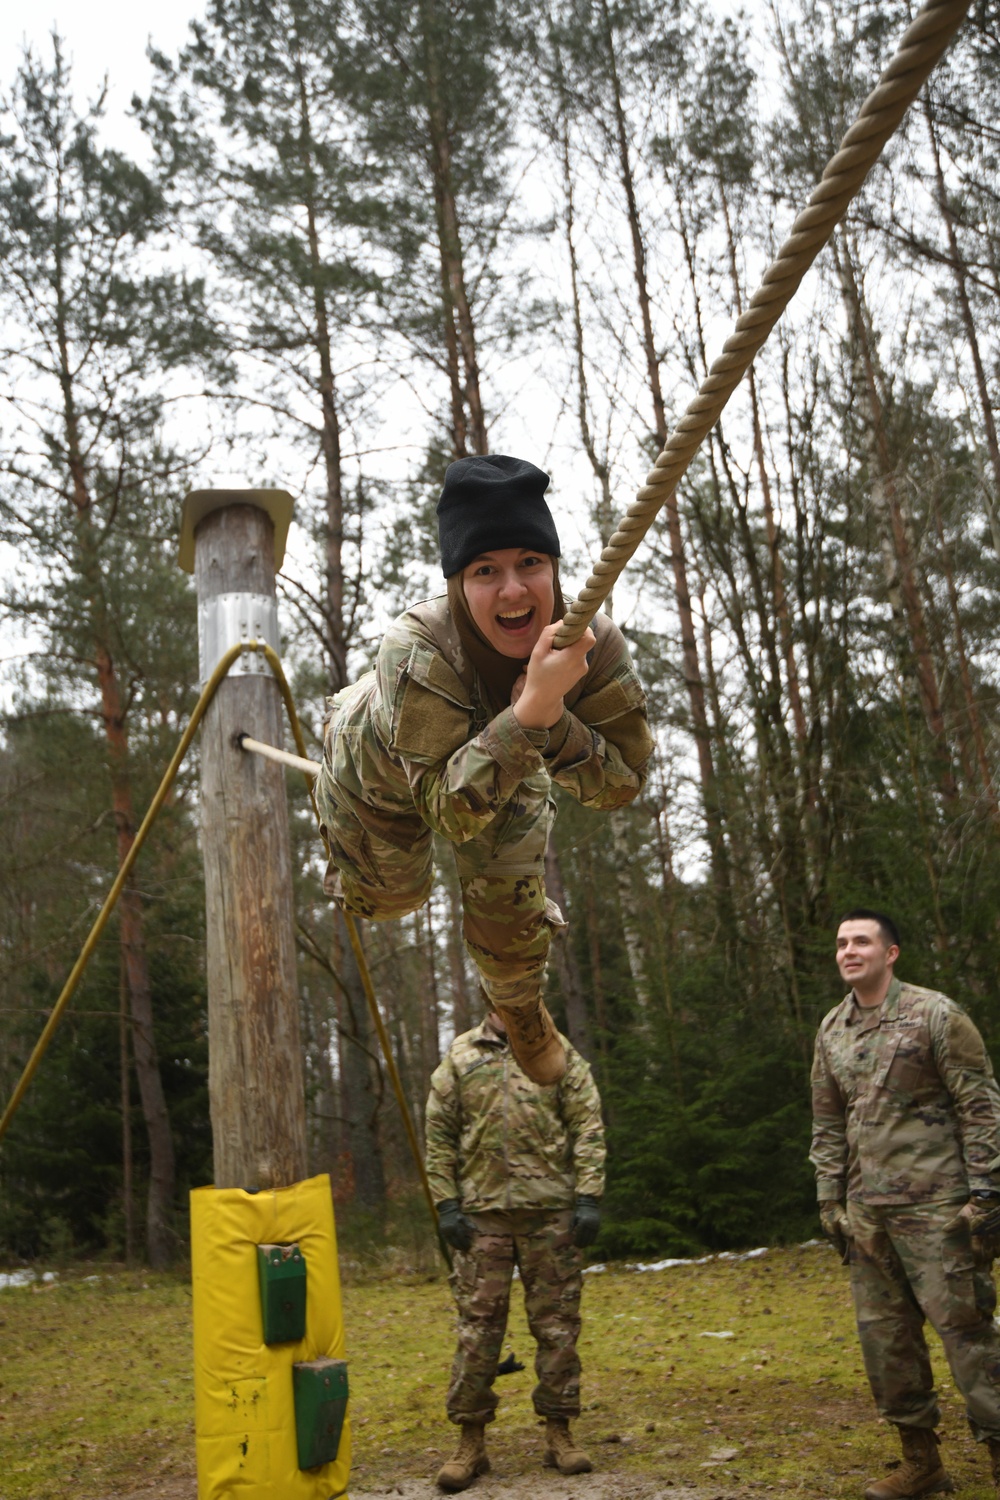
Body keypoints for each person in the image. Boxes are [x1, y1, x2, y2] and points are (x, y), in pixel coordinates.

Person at [315, 454, 652, 1085]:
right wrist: (530, 713)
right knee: (391, 901)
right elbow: (442, 810)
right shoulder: (419, 646)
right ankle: (346, 740)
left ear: (554, 567)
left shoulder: (592, 644)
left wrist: (547, 716)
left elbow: (621, 785)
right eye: (484, 571)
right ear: (456, 584)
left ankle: (521, 1012)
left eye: (531, 562)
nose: (514, 590)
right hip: (378, 776)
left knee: (509, 905)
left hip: (505, 761)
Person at [811, 907, 1000, 1500]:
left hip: (940, 1211)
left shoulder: (935, 1016)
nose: (848, 951)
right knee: (886, 1343)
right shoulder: (832, 1029)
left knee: (969, 1339)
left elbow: (981, 1106)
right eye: (842, 943)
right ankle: (922, 1463)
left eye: (861, 941)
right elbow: (826, 1121)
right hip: (868, 1216)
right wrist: (828, 1199)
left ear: (890, 953)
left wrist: (988, 1193)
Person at [425, 1008, 605, 1491]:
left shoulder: (556, 1051)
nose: (506, 1001)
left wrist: (588, 1197)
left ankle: (559, 1433)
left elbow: (587, 1125)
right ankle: (471, 1441)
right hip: (482, 1214)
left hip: (551, 1213)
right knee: (478, 1330)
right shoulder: (462, 1055)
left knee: (557, 1326)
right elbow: (439, 1132)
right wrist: (446, 1203)